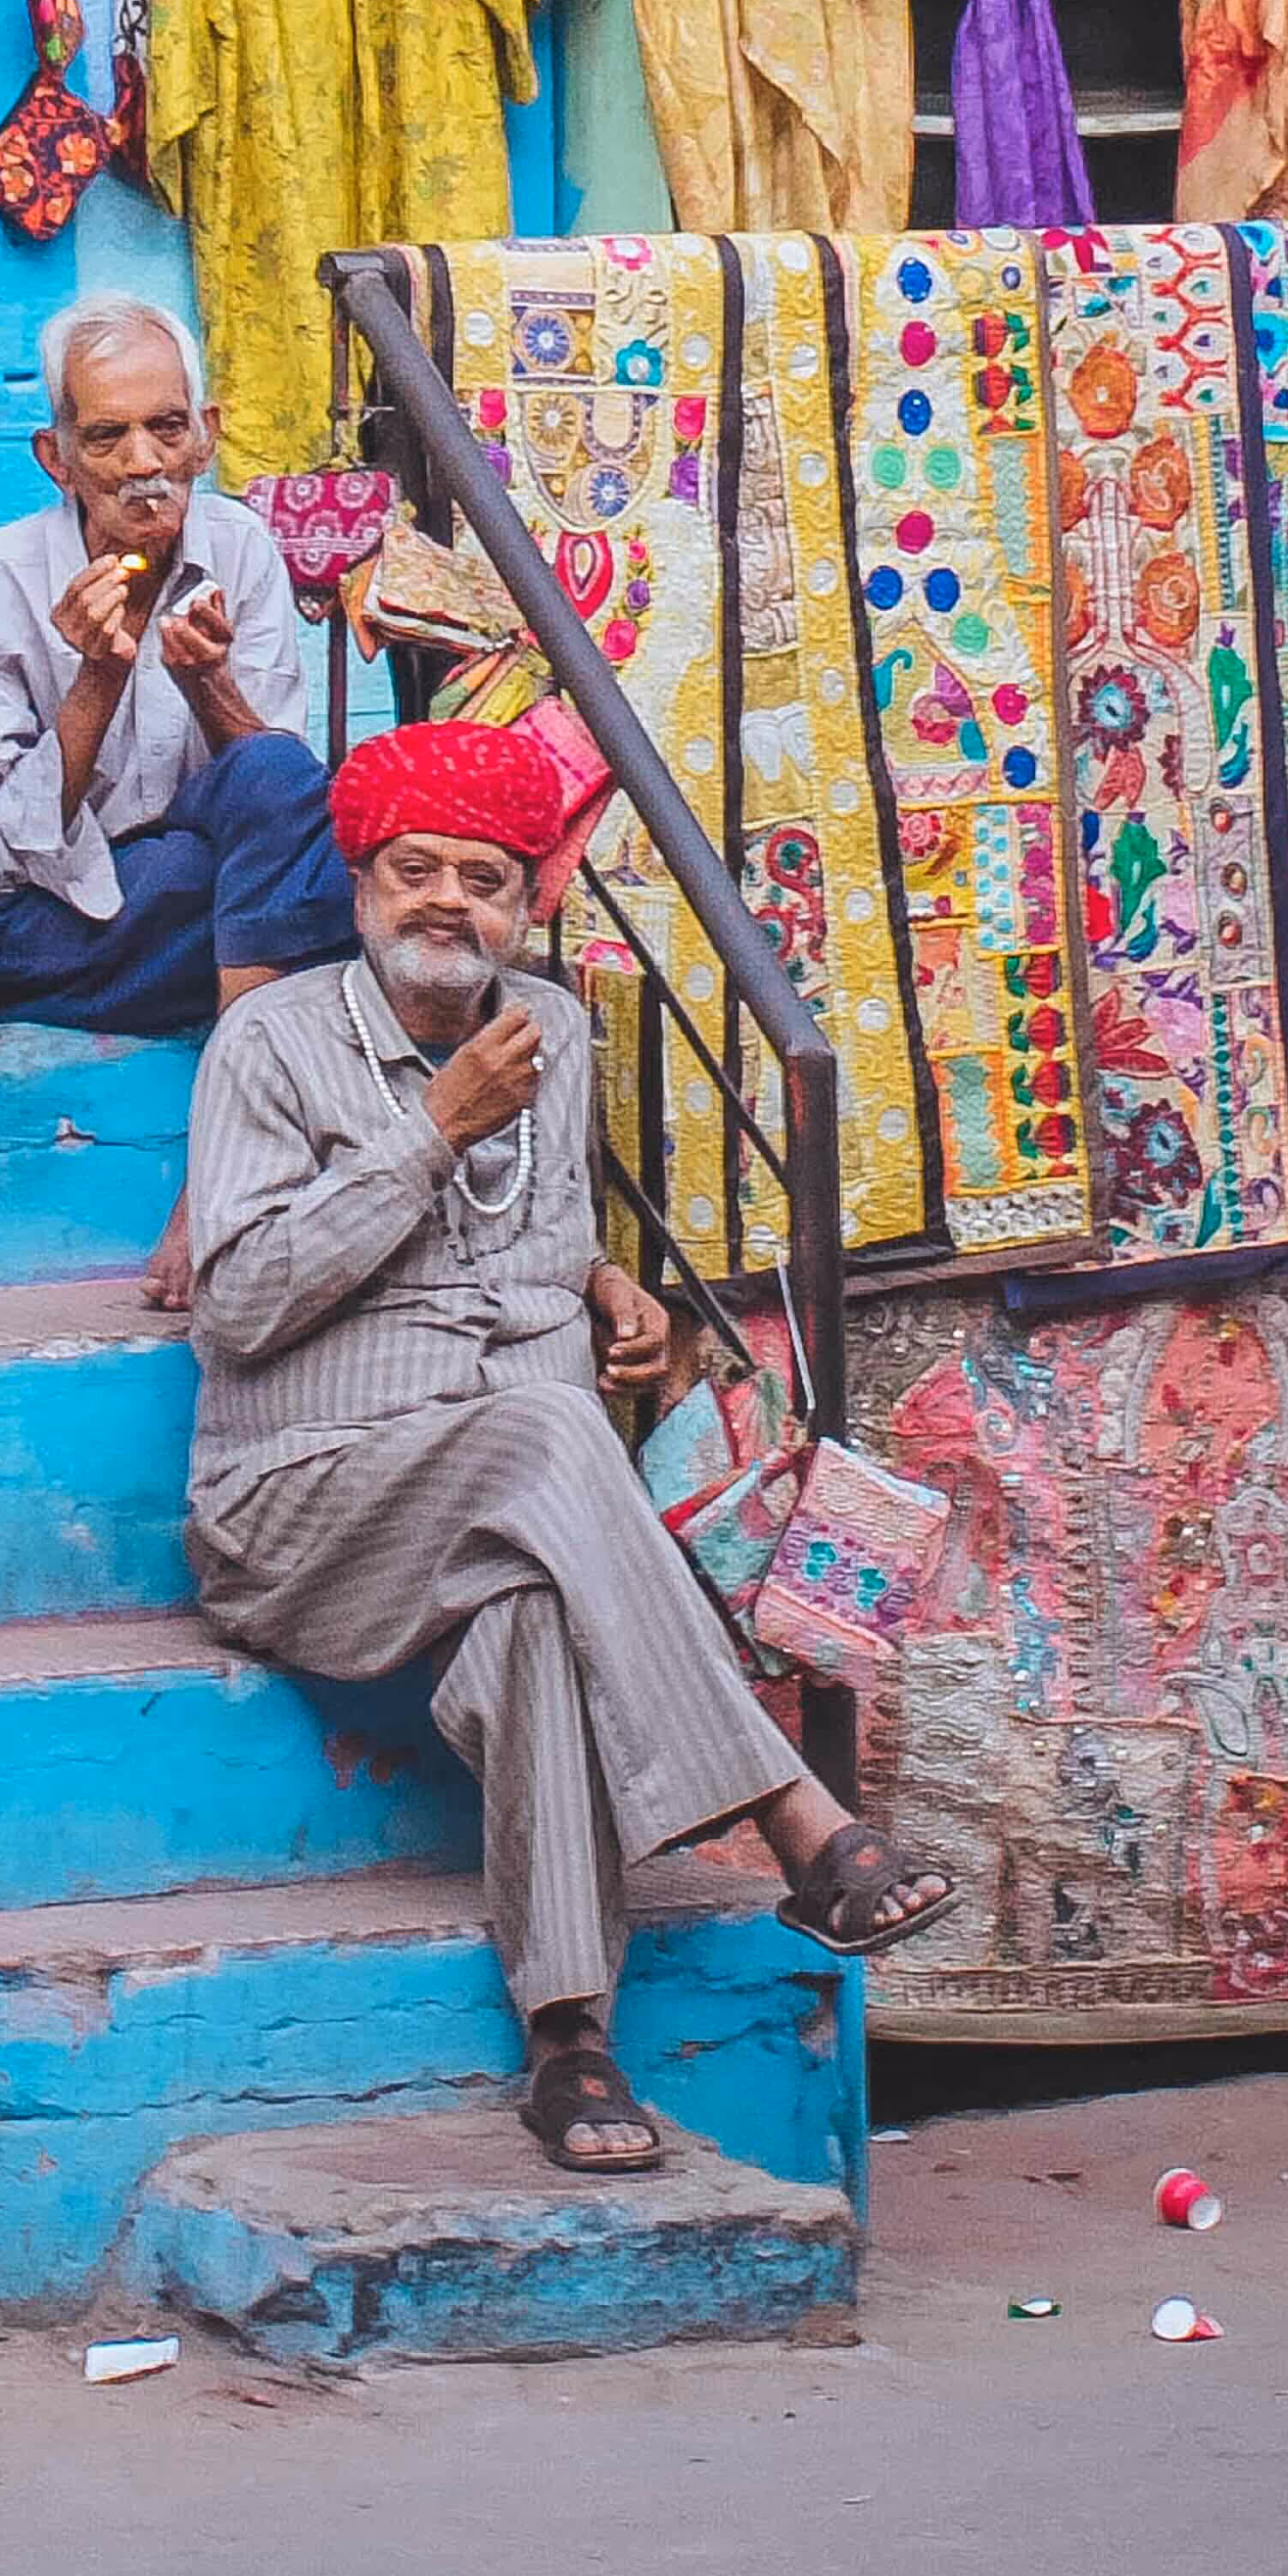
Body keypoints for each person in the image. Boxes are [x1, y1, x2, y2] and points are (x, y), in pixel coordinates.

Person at [181, 717, 954, 2174]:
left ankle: (569, 2041)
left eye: (483, 878)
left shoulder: (554, 1026)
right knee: (538, 1433)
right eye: (414, 869)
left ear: (526, 906)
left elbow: (533, 1274)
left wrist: (611, 1291)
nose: (445, 904)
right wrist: (426, 1131)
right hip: (296, 1509)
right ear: (359, 882)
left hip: (489, 1498)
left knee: (539, 1600)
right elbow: (237, 1304)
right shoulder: (268, 1042)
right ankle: (797, 1816)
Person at [0, 298, 358, 1306]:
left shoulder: (240, 547)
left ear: (207, 433)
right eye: (106, 436)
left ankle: (212, 1171)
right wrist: (99, 675)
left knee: (290, 803)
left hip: (195, 910)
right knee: (310, 906)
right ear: (55, 456)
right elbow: (22, 849)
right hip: (30, 932)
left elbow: (274, 791)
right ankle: (237, 1164)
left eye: (167, 427)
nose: (142, 463)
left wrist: (209, 687)